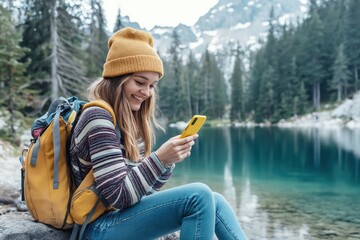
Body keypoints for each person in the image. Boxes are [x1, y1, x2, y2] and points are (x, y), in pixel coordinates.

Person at [69, 27, 248, 240]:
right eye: (140, 82)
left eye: (152, 85)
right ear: (118, 78)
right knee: (198, 196)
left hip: (116, 219)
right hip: (95, 227)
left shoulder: (129, 120)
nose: (146, 92)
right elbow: (119, 196)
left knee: (214, 199)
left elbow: (142, 194)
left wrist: (167, 162)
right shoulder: (98, 117)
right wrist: (159, 158)